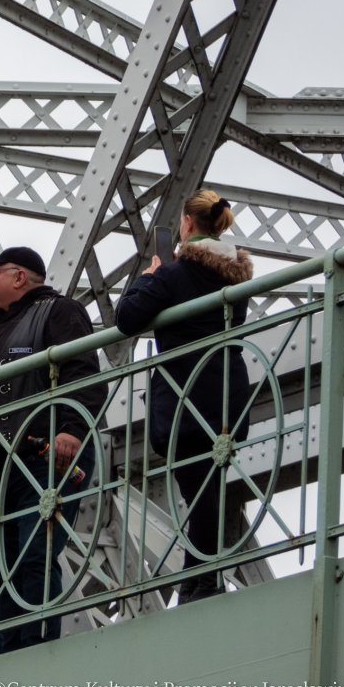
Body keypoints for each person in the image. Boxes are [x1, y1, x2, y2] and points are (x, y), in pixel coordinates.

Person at [0, 246, 104, 654]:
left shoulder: (58, 312)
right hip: (0, 464)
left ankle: (33, 645)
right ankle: (13, 646)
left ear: (18, 277)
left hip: (45, 453)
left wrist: (72, 427)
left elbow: (82, 371)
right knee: (4, 561)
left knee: (34, 554)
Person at [116, 190, 254, 604]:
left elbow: (126, 318)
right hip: (226, 390)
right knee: (207, 484)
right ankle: (196, 578)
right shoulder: (234, 275)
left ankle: (204, 579)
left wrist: (151, 276)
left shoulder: (175, 275)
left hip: (185, 396)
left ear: (188, 225)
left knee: (199, 486)